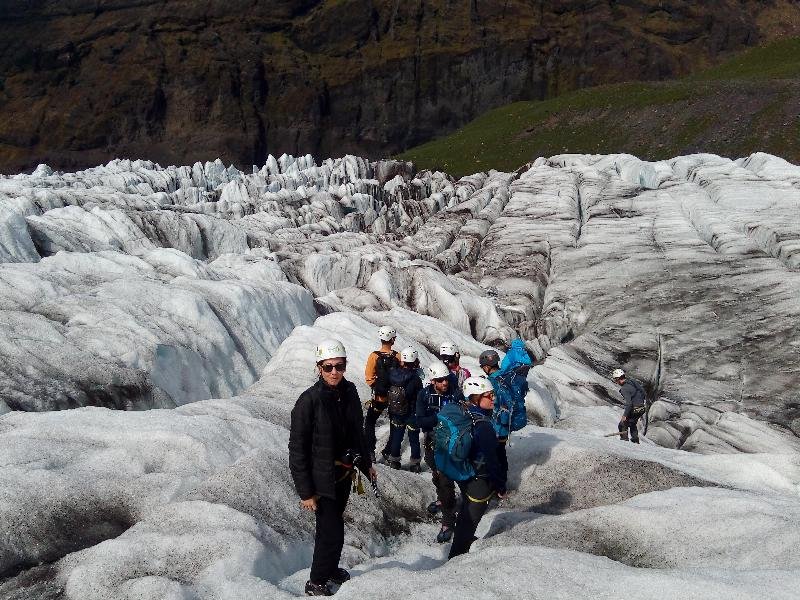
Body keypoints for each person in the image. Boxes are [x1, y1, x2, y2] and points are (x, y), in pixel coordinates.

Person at [289, 339, 376, 597]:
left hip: (343, 475)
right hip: (321, 481)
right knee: (334, 532)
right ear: (319, 368)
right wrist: (306, 492)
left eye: (339, 366)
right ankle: (315, 581)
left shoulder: (349, 392)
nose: (334, 372)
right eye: (328, 367)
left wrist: (367, 465)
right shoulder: (308, 401)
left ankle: (329, 569)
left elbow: (357, 434)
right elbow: (298, 450)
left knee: (329, 529)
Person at [448, 376, 507, 559]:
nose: (493, 398)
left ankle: (462, 539)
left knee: (467, 510)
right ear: (475, 397)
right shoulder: (483, 425)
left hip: (464, 473)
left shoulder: (465, 413)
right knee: (471, 518)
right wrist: (500, 484)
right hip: (479, 479)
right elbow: (492, 459)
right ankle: (457, 555)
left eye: (493, 394)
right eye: (489, 395)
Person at [416, 361, 464, 543]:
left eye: (446, 379)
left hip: (451, 443)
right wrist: (441, 419)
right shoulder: (424, 395)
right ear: (433, 381)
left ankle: (448, 521)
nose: (444, 383)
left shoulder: (456, 394)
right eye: (440, 380)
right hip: (432, 442)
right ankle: (444, 501)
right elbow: (420, 420)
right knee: (437, 476)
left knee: (445, 481)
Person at [363, 326, 400, 462]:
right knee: (394, 423)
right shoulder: (397, 356)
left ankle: (370, 451)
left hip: (379, 397)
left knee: (370, 421)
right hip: (395, 398)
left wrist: (377, 387)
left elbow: (369, 376)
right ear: (392, 339)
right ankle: (389, 451)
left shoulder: (374, 356)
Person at [386, 346, 423, 471]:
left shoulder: (394, 374)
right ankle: (415, 463)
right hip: (411, 412)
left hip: (396, 411)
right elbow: (419, 396)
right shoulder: (415, 378)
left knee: (397, 436)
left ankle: (394, 460)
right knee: (414, 438)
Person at [612, 368, 647, 443]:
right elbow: (643, 392)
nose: (616, 382)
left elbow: (629, 404)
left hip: (635, 408)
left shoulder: (624, 389)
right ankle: (635, 440)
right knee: (632, 424)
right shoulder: (632, 381)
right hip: (642, 408)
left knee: (622, 424)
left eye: (616, 380)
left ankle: (625, 441)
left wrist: (624, 415)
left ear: (618, 379)